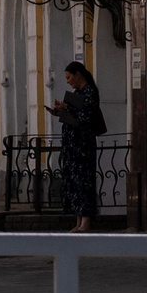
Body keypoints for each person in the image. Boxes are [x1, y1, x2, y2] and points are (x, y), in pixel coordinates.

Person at [50, 62, 106, 231]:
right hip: (72, 145)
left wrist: (67, 106)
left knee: (84, 181)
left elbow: (85, 116)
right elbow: (74, 115)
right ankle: (79, 219)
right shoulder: (78, 93)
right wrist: (60, 111)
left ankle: (86, 221)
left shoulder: (90, 92)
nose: (68, 81)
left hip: (83, 145)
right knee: (73, 181)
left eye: (69, 77)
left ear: (78, 74)